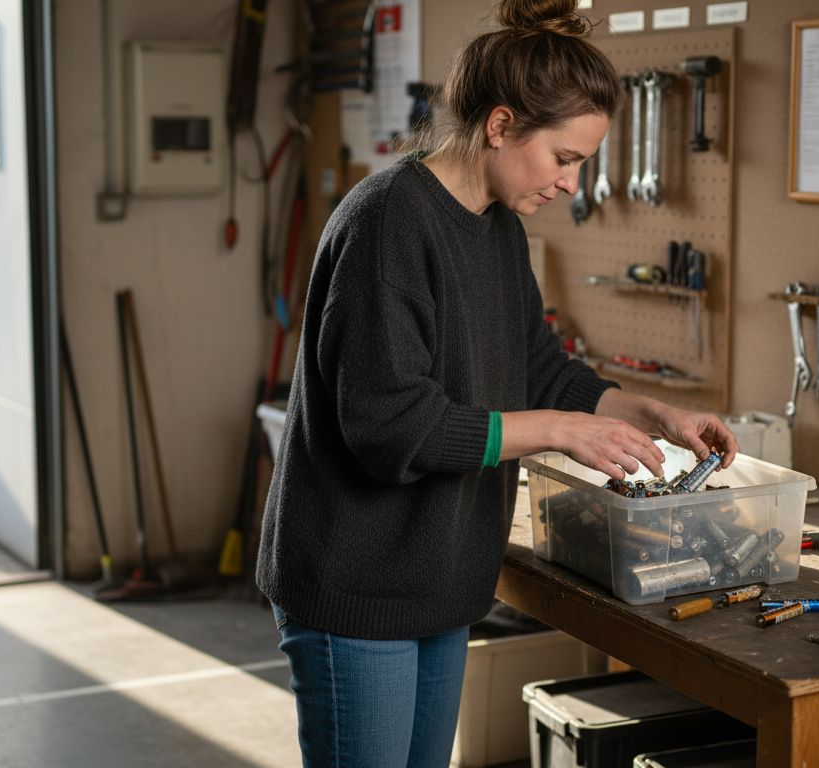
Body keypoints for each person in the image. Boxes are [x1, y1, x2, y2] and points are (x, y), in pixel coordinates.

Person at [256, 1, 740, 764]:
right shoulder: (387, 223)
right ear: (501, 125)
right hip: (357, 584)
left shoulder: (498, 228)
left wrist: (654, 413)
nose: (572, 184)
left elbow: (538, 367)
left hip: (440, 582)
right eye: (564, 158)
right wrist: (559, 431)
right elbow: (391, 427)